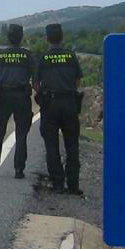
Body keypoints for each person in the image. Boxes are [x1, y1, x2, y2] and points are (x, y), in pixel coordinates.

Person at [35, 23, 83, 195]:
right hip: (69, 103)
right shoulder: (71, 56)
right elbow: (78, 82)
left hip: (50, 104)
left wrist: (43, 93)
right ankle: (73, 184)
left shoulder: (43, 58)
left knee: (51, 145)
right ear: (61, 37)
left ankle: (57, 184)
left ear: (47, 38)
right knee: (72, 144)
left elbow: (35, 83)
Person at [0, 23, 35, 179]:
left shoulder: (0, 54)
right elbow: (34, 76)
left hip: (3, 96)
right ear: (21, 38)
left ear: (8, 37)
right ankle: (19, 170)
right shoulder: (27, 55)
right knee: (21, 133)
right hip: (21, 96)